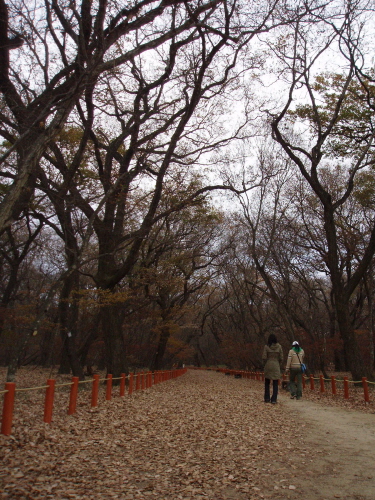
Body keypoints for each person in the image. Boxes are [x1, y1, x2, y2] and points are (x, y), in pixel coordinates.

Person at [262, 334, 283, 404]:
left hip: (268, 364)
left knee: (267, 382)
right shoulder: (279, 347)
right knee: (275, 383)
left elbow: (264, 357)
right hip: (276, 364)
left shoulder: (266, 347)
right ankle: (274, 399)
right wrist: (278, 364)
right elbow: (281, 358)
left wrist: (265, 364)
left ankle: (267, 398)